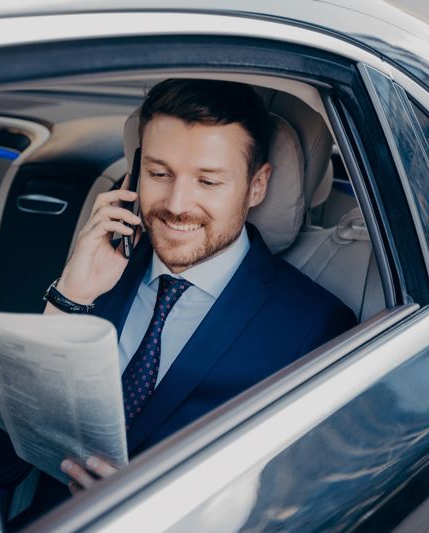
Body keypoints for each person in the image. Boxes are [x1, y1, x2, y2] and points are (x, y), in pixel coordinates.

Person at [43, 79, 357, 495]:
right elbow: (2, 459)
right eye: (159, 174)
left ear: (257, 186)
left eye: (207, 182)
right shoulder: (96, 268)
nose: (177, 205)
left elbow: (300, 498)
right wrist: (70, 298)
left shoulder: (313, 328)